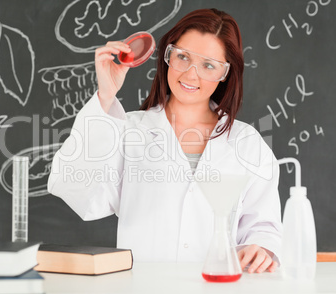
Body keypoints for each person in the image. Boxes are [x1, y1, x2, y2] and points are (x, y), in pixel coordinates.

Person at [48, 8, 282, 274]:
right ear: (167, 57)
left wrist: (261, 250)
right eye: (182, 57)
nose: (191, 75)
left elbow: (263, 228)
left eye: (208, 65)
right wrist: (105, 96)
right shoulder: (129, 131)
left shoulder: (247, 143)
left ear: (225, 73)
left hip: (218, 287)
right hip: (143, 286)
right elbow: (77, 192)